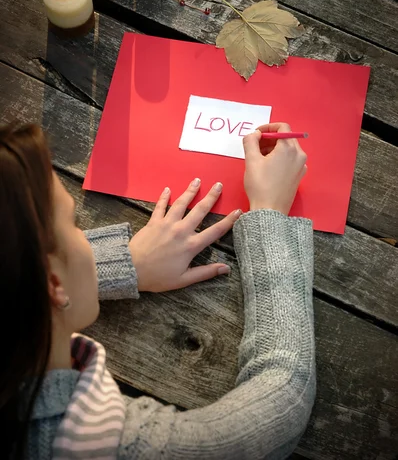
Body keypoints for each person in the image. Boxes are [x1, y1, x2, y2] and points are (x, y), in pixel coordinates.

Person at [0, 121, 315, 460]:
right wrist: (270, 215)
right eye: (75, 225)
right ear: (53, 284)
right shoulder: (120, 447)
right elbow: (282, 398)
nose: (85, 238)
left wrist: (127, 264)